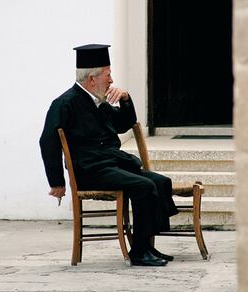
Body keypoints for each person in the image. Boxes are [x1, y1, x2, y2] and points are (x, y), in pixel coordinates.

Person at [39, 44, 178, 266]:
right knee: (143, 186)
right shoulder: (65, 103)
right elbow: (47, 141)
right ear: (92, 78)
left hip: (110, 166)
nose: (111, 80)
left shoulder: (99, 101)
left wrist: (125, 98)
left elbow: (125, 124)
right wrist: (57, 182)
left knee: (160, 182)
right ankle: (139, 252)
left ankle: (148, 245)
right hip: (90, 170)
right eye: (108, 74)